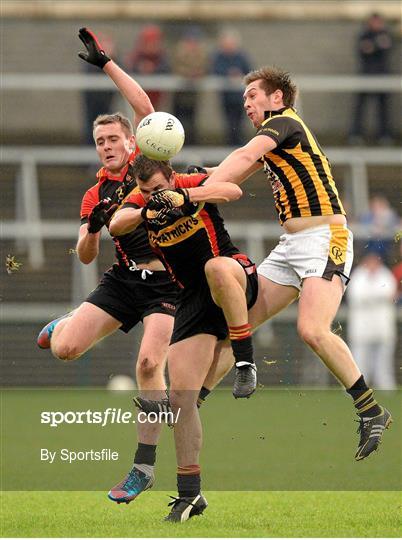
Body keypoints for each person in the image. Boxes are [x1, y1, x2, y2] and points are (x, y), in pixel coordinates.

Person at [202, 66, 392, 462]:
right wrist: (191, 182)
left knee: (312, 330)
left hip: (326, 237)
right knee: (235, 326)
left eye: (254, 95)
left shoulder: (285, 122)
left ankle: (371, 410)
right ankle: (188, 402)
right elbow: (234, 176)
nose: (247, 103)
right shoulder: (273, 141)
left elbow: (242, 157)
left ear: (278, 99)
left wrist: (198, 192)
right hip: (291, 246)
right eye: (244, 99)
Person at [37, 27, 179, 505]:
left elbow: (146, 109)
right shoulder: (95, 192)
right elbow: (84, 253)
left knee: (147, 363)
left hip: (170, 282)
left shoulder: (147, 160)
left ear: (129, 141)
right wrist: (93, 228)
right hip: (124, 278)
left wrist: (107, 65)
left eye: (113, 137)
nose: (106, 145)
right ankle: (66, 323)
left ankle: (142, 469)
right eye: (99, 140)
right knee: (65, 349)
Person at [109, 154, 259, 521]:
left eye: (159, 188)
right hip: (191, 297)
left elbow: (232, 189)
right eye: (146, 191)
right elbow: (117, 225)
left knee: (214, 267)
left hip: (232, 273)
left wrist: (185, 197)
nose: (153, 195)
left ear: (171, 177)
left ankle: (245, 361)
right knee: (180, 398)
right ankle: (190, 495)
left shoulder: (188, 184)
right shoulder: (142, 201)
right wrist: (146, 210)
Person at [346, 252, 398, 389]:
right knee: (359, 360)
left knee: (383, 362)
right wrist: (378, 297)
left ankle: (386, 388)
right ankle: (358, 389)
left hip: (382, 327)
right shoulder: (358, 275)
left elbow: (390, 294)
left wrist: (373, 297)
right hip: (362, 328)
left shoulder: (385, 274)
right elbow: (357, 295)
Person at [349, 12, 394, 144]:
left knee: (383, 108)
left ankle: (384, 135)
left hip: (383, 77)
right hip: (365, 76)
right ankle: (355, 134)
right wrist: (377, 44)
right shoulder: (364, 35)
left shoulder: (386, 34)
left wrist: (372, 46)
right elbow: (364, 48)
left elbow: (387, 46)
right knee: (360, 108)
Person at [211, 28, 252, 146]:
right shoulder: (219, 57)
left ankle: (238, 147)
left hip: (241, 98)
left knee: (239, 125)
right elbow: (215, 71)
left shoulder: (242, 57)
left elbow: (250, 71)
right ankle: (231, 148)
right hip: (226, 97)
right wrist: (227, 75)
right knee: (229, 125)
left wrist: (240, 76)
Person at [171, 26, 208, 145]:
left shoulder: (201, 54)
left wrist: (197, 74)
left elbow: (204, 68)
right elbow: (174, 68)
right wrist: (186, 74)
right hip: (179, 94)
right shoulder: (178, 53)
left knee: (191, 122)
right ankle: (177, 145)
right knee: (178, 121)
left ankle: (190, 144)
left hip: (193, 95)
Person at [81, 32, 117, 145]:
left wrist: (108, 61)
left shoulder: (116, 62)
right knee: (92, 135)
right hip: (93, 109)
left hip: (110, 107)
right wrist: (101, 62)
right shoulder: (90, 63)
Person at [125, 24, 170, 110]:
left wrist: (153, 69)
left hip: (157, 100)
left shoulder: (161, 57)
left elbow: (166, 69)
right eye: (148, 42)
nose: (151, 45)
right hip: (138, 100)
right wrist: (141, 68)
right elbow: (128, 70)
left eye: (154, 42)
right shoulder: (136, 56)